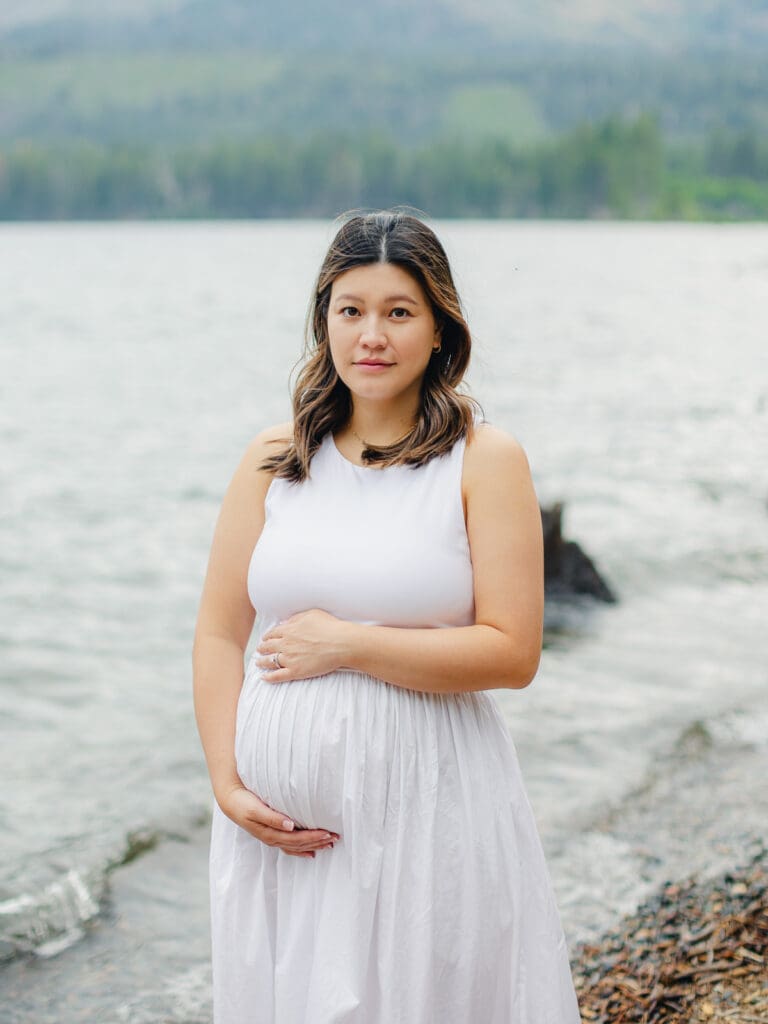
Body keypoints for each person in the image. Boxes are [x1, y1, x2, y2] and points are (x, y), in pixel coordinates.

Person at [192, 210, 582, 1023]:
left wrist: (349, 645)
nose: (371, 335)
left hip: (426, 809)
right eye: (351, 310)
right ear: (323, 321)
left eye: (399, 312)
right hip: (279, 836)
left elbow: (513, 654)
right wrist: (227, 783)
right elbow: (220, 632)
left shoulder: (485, 459)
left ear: (440, 327)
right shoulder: (274, 459)